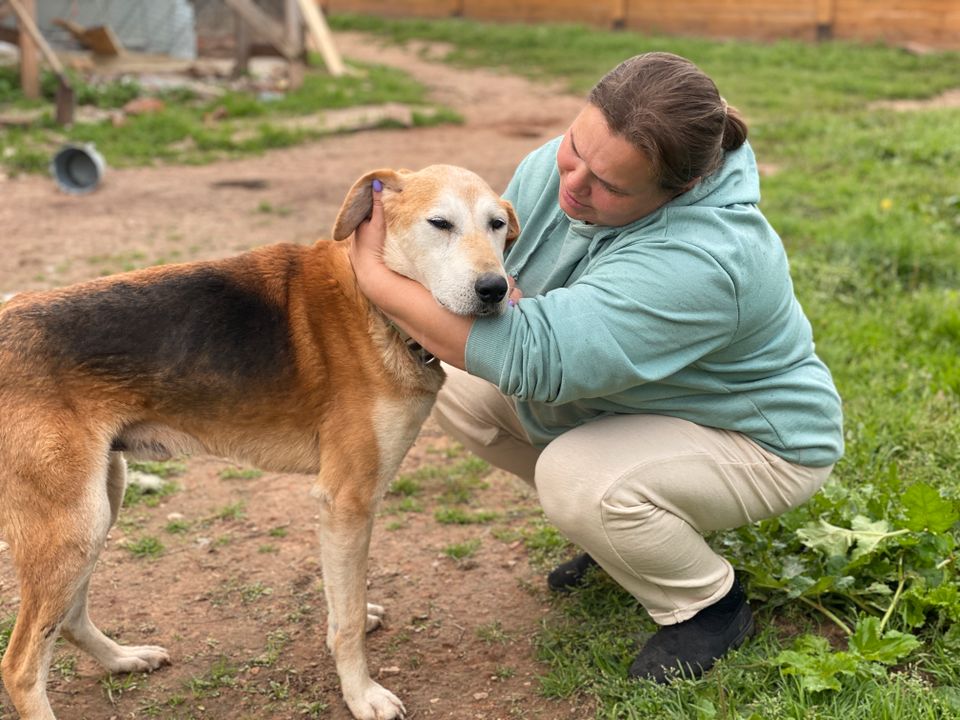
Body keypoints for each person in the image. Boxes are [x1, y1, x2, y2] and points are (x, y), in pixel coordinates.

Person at [348, 51, 844, 682]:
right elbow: (499, 286)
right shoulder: (566, 168)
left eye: (609, 185)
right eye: (575, 147)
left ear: (679, 191)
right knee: (455, 384)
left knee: (581, 478)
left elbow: (535, 357)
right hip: (640, 401)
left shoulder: (709, 256)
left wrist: (371, 275)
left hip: (758, 439)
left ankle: (706, 604)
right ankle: (626, 540)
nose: (574, 184)